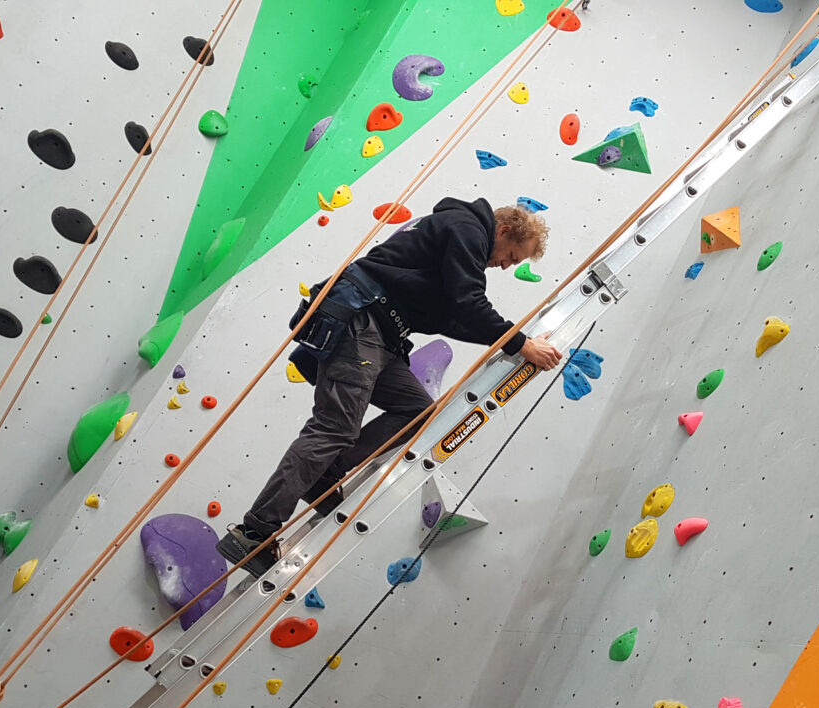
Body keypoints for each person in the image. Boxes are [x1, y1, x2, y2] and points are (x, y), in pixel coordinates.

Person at [216, 197, 563, 576]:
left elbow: (453, 317)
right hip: (361, 323)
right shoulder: (466, 229)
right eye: (512, 256)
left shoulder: (452, 238)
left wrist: (514, 344)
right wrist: (522, 343)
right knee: (334, 426)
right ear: (504, 230)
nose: (505, 265)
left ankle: (326, 476)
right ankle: (254, 532)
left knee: (417, 413)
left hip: (379, 332)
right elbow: (468, 301)